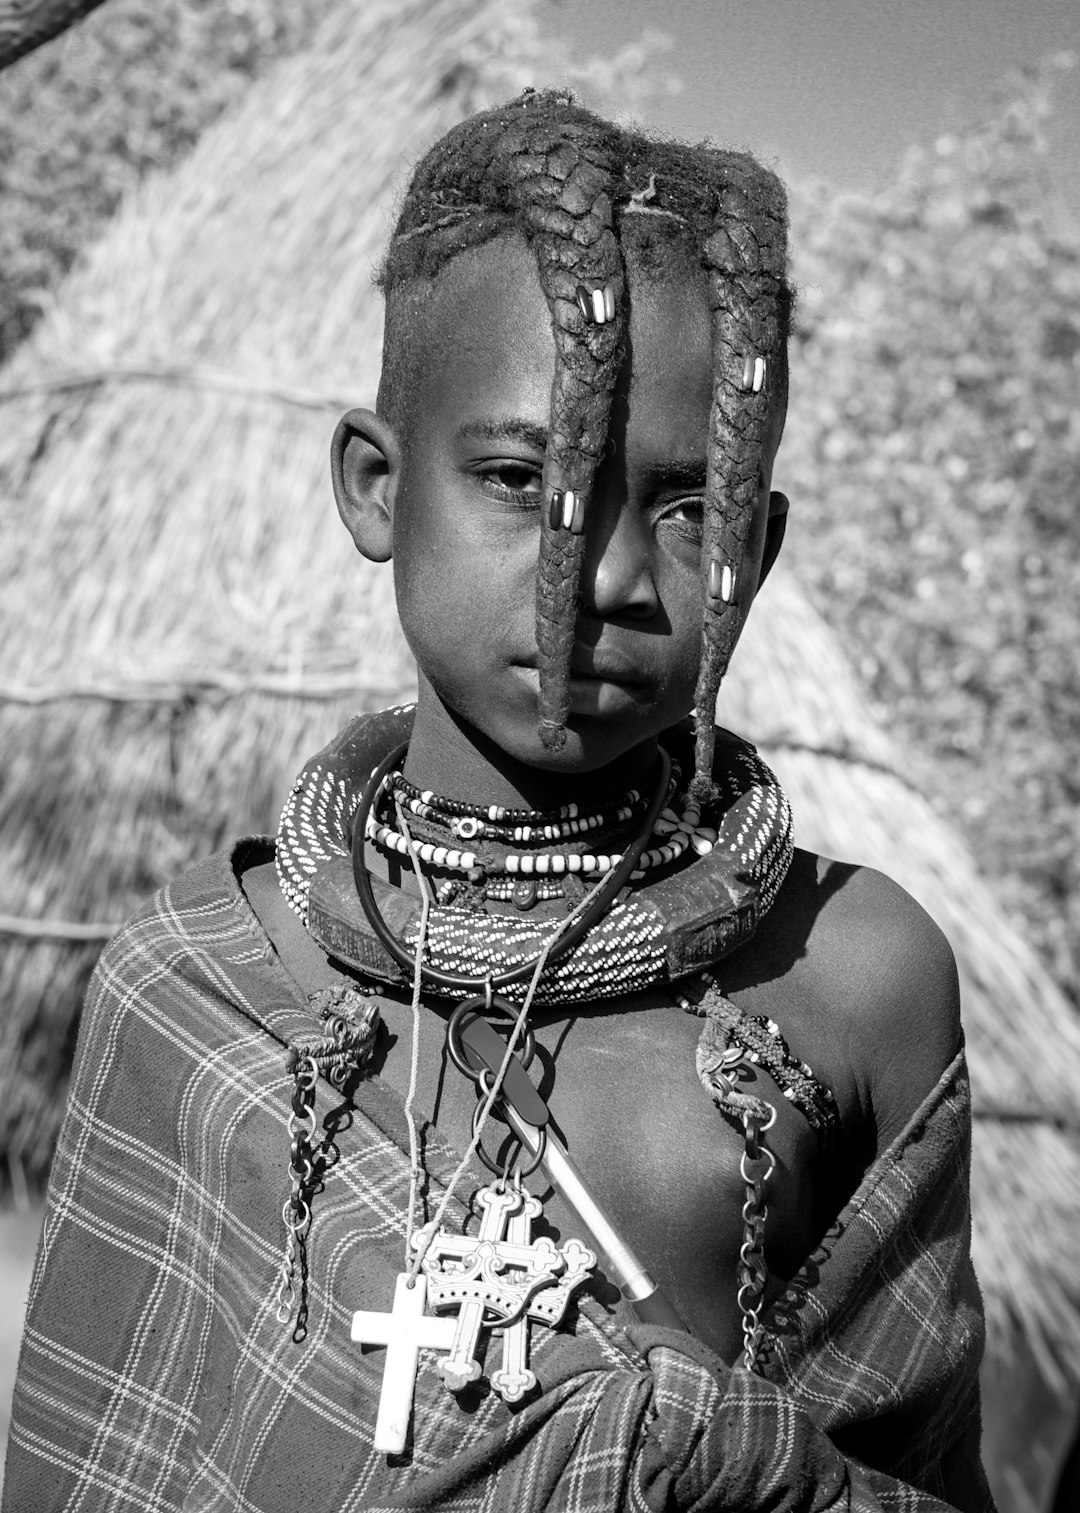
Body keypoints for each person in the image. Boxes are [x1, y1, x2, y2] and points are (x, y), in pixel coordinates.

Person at [3, 92, 992, 1511]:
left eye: (689, 509)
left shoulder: (856, 978)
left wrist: (719, 1458)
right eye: (525, 479)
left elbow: (913, 1482)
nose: (602, 584)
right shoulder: (196, 991)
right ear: (373, 488)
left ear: (760, 550)